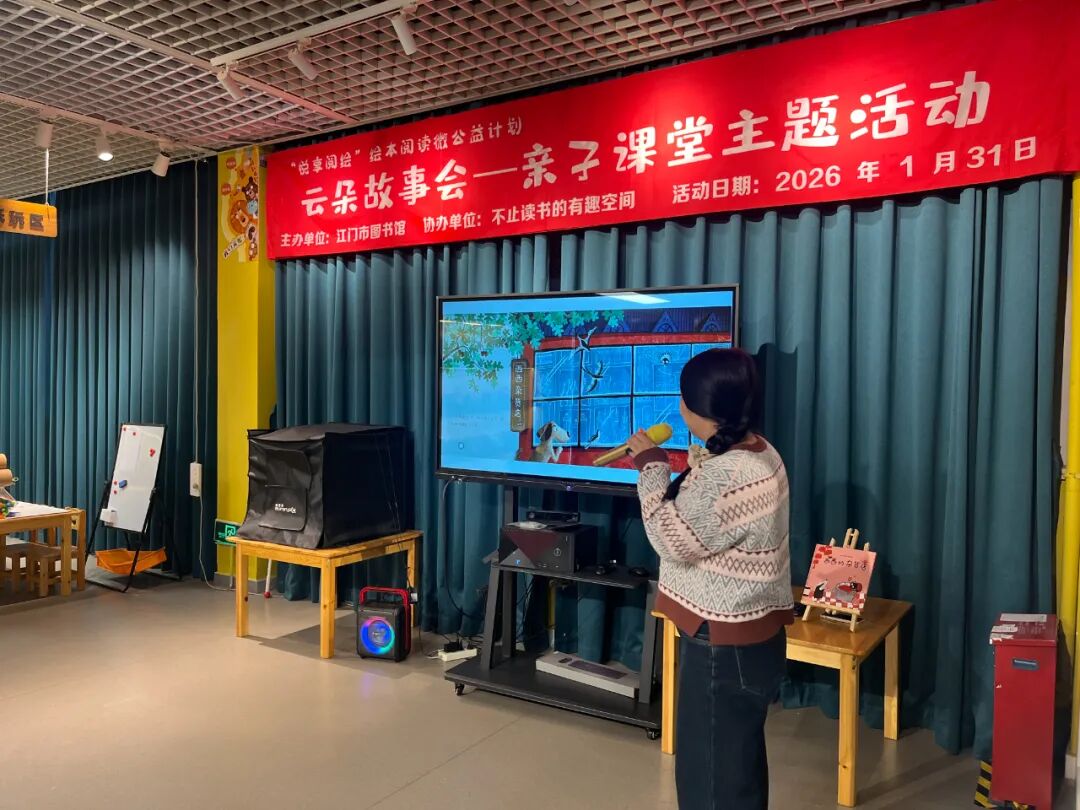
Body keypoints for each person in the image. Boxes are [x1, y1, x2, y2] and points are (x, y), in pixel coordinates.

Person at [627, 348, 792, 810]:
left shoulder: (728, 474)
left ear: (695, 408)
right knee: (737, 769)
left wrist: (651, 467)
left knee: (710, 778)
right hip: (752, 638)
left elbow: (670, 537)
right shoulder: (760, 451)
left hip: (722, 643)